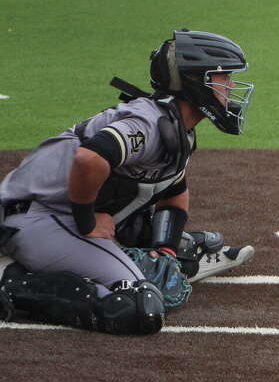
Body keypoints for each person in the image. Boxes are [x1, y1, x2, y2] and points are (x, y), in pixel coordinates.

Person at [0, 30, 257, 335]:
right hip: (37, 220)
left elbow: (174, 195)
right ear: (195, 81)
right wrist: (87, 222)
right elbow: (89, 158)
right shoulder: (147, 124)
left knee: (170, 244)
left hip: (53, 214)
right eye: (222, 77)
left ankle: (155, 257)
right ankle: (12, 279)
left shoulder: (177, 129)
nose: (230, 86)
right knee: (138, 305)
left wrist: (166, 250)